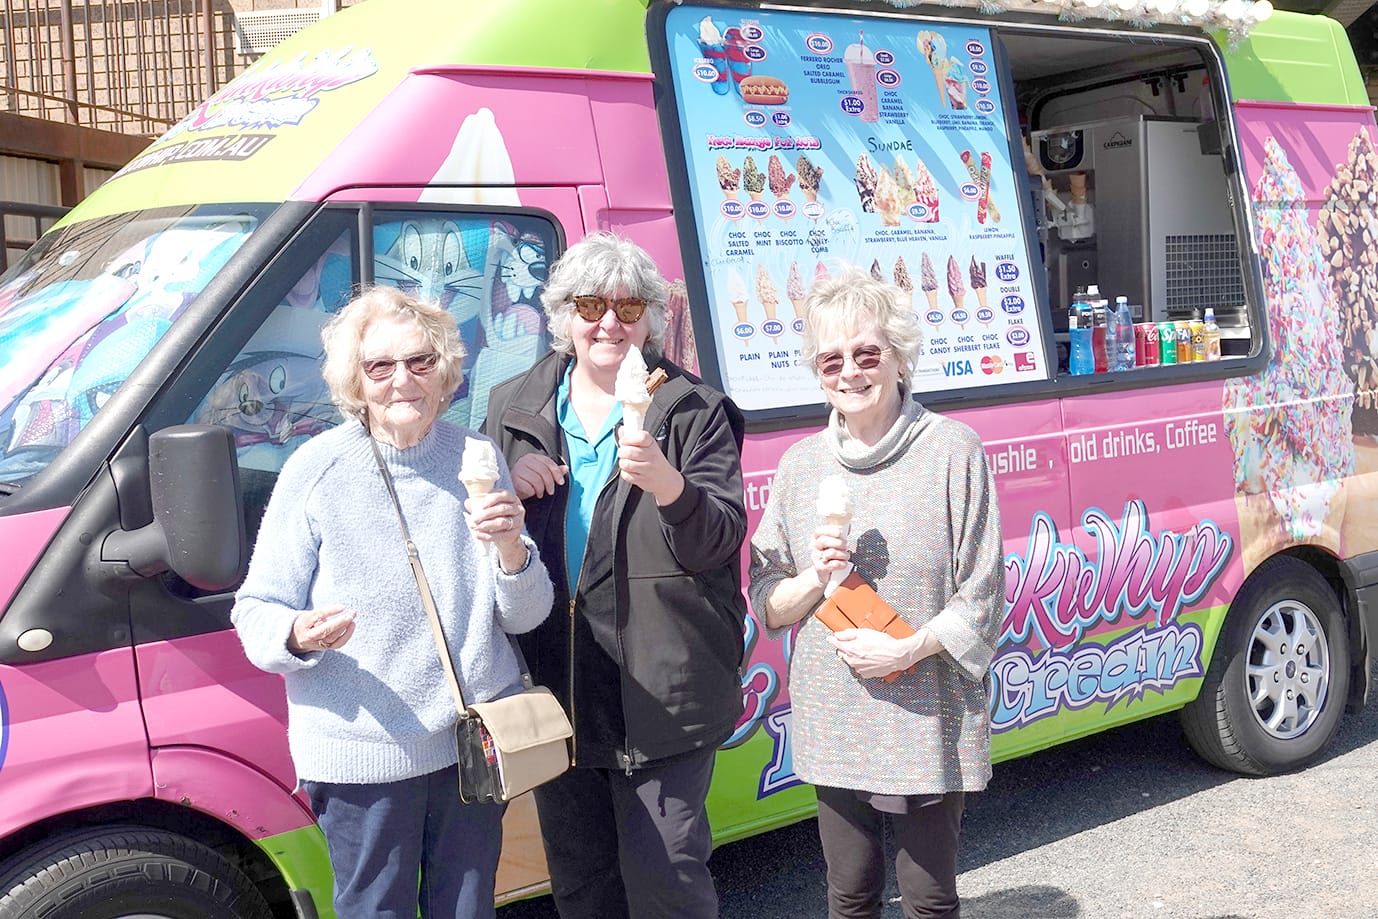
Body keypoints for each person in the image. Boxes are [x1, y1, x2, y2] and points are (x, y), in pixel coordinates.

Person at [232, 286, 553, 918]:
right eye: (380, 367)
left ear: (444, 371)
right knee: (375, 910)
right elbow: (256, 609)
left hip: (470, 744)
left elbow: (525, 615)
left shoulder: (477, 456)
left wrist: (514, 548)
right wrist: (297, 633)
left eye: (418, 362)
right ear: (356, 380)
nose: (401, 380)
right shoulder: (315, 468)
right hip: (362, 754)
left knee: (466, 910)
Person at [483, 232, 747, 919]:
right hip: (558, 689)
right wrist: (505, 487)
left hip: (661, 691)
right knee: (581, 885)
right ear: (564, 314)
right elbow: (478, 530)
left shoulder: (692, 409)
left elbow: (721, 538)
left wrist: (669, 484)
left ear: (652, 319)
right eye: (591, 304)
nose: (610, 323)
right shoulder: (515, 405)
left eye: (629, 308)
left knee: (667, 884)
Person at [748, 267, 1004, 919]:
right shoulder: (801, 466)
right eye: (831, 359)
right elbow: (769, 602)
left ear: (898, 356)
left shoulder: (953, 451)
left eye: (867, 353)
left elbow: (982, 589)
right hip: (836, 714)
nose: (851, 372)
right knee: (850, 892)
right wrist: (813, 572)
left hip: (925, 707)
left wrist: (908, 649)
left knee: (927, 897)